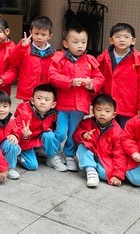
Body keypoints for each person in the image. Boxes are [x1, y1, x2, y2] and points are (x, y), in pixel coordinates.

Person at [49, 24, 104, 172]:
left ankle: (69, 155)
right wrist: (70, 82)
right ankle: (53, 153)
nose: (80, 46)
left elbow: (99, 78)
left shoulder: (90, 60)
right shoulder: (59, 58)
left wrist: (91, 84)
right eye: (75, 42)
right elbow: (52, 76)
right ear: (65, 44)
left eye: (83, 42)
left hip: (80, 105)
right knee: (61, 132)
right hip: (62, 104)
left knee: (73, 132)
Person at [96, 23, 140, 127]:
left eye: (126, 37)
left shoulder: (138, 60)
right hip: (107, 105)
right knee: (107, 131)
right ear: (111, 40)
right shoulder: (103, 58)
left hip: (129, 106)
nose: (122, 40)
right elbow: (97, 79)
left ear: (133, 41)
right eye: (118, 37)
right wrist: (95, 100)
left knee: (127, 131)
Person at [73, 93, 126, 188]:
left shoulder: (117, 131)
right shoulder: (87, 123)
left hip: (105, 157)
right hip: (91, 151)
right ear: (93, 110)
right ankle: (90, 170)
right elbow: (76, 135)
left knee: (105, 175)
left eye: (107, 111)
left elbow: (119, 154)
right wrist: (83, 134)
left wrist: (117, 175)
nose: (102, 113)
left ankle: (93, 166)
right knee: (83, 146)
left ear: (114, 115)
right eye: (98, 110)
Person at [12, 84, 63, 172]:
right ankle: (18, 153)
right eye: (39, 98)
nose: (42, 102)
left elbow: (53, 127)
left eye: (46, 99)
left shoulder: (53, 113)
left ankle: (51, 157)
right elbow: (15, 130)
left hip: (38, 139)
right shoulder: (24, 113)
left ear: (53, 104)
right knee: (32, 165)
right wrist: (24, 135)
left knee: (49, 135)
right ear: (32, 100)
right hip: (25, 142)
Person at [10, 16, 55, 102]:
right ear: (31, 32)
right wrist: (21, 47)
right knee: (27, 110)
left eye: (43, 34)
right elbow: (13, 62)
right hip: (28, 91)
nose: (39, 37)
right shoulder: (25, 49)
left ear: (50, 36)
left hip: (46, 92)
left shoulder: (54, 53)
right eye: (36, 33)